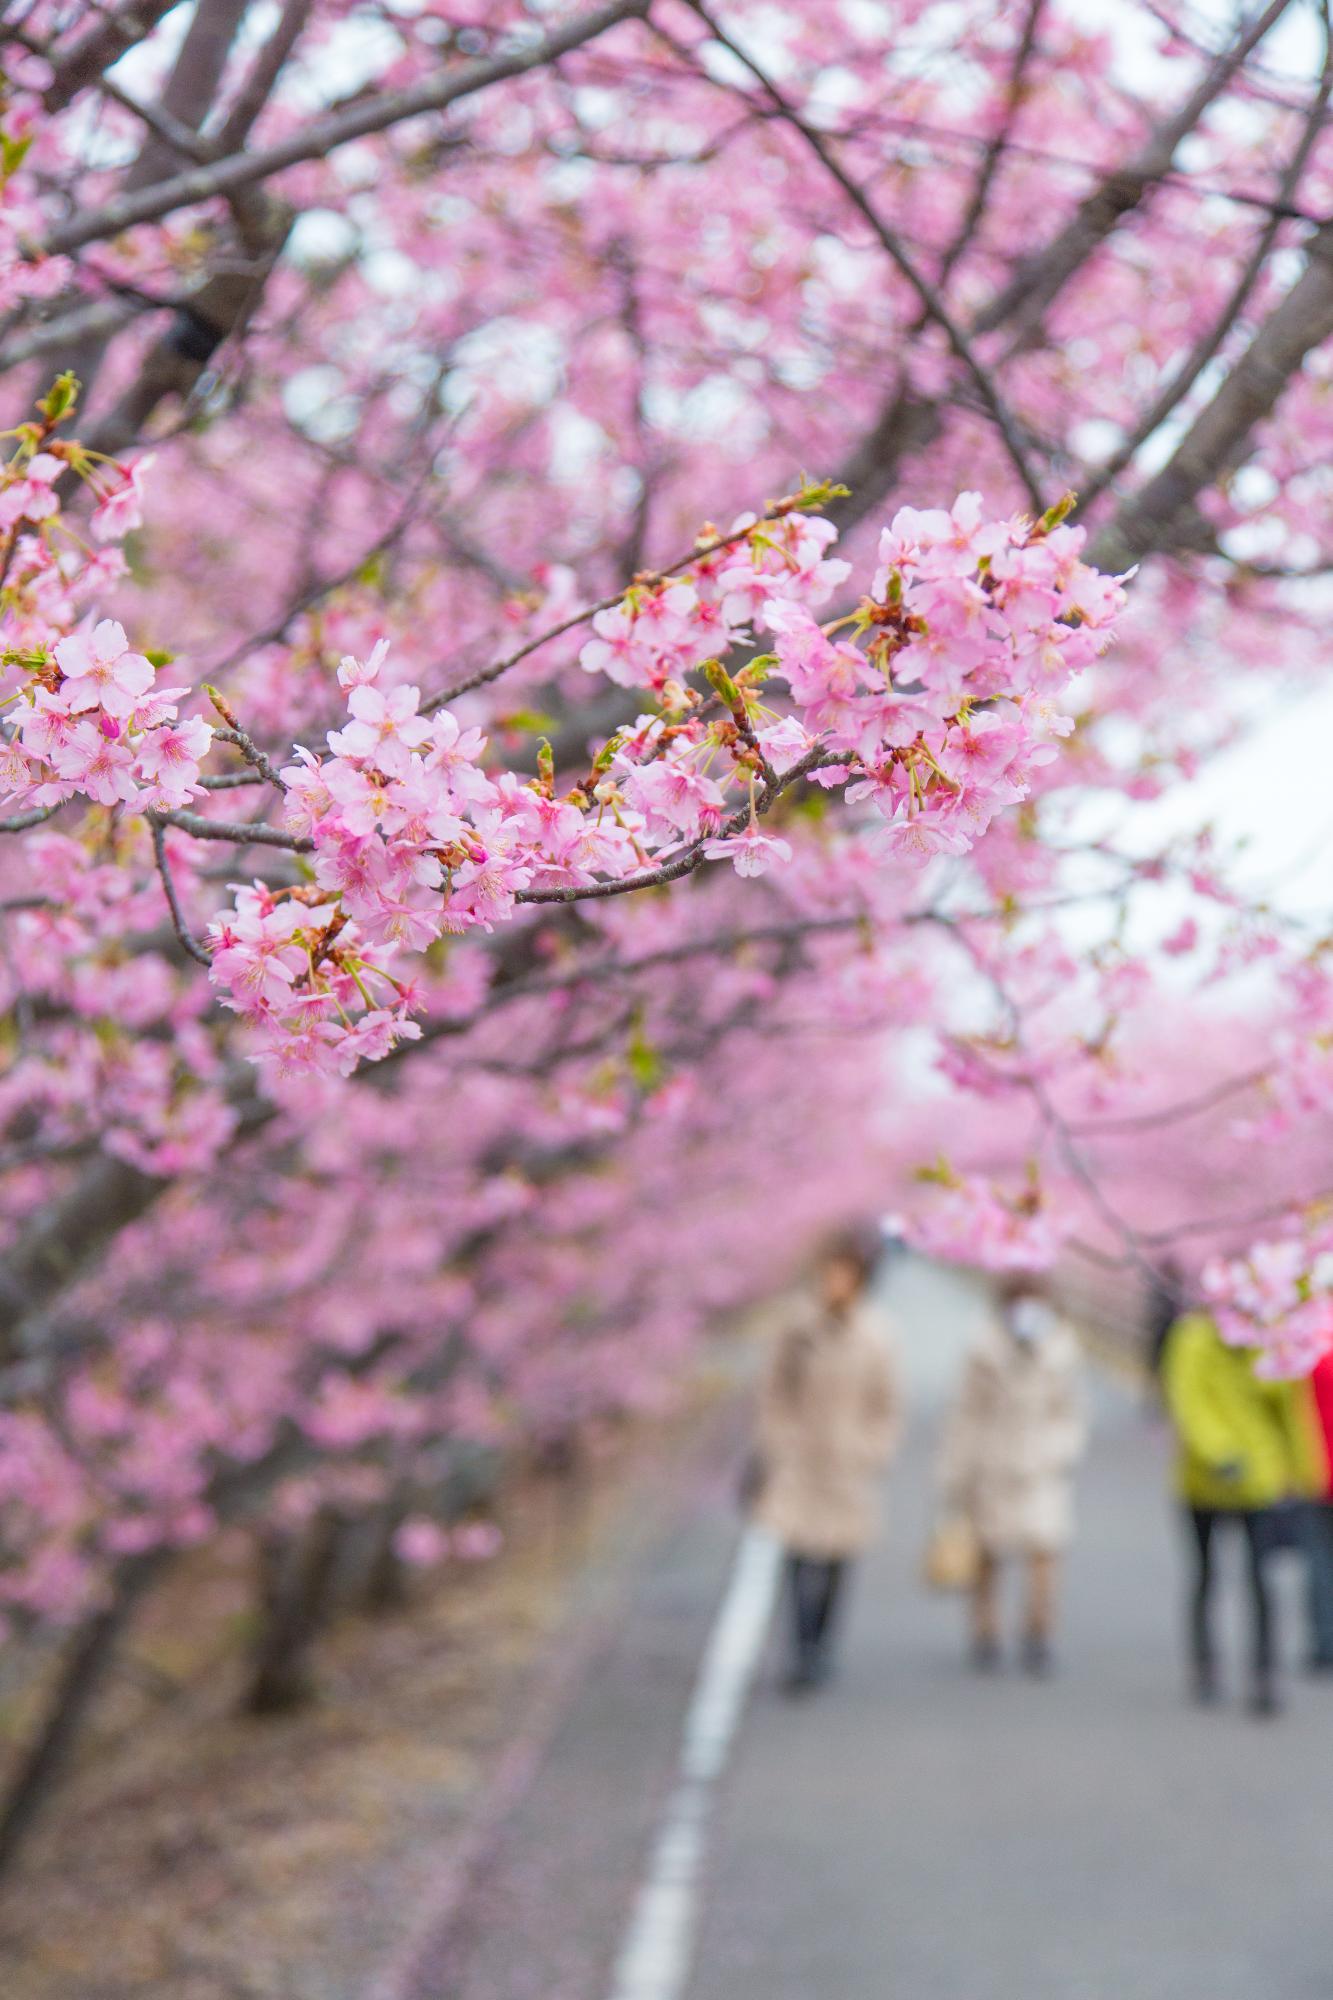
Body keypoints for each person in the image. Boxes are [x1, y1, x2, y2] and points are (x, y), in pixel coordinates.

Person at [752, 1226, 902, 1693]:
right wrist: (779, 1440)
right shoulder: (796, 1326)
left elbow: (888, 1404)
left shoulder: (878, 1335)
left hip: (848, 1463)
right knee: (797, 1555)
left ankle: (821, 1645)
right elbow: (775, 1389)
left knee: (837, 1560)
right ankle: (800, 1649)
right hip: (801, 1459)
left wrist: (872, 1449)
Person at [1162, 1310, 1323, 1715]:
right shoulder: (1194, 1339)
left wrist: (1309, 1475)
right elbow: (1189, 1403)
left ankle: (1264, 1673)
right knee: (1206, 1573)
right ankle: (1206, 1666)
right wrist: (1219, 1453)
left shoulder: (1273, 1341)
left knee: (1261, 1579)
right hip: (1204, 1481)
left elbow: (1291, 1413)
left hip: (1259, 1482)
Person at [937, 1274, 1086, 1676]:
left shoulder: (1060, 1347)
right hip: (993, 1464)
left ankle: (1039, 1632)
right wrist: (956, 1470)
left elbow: (1070, 1411)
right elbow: (966, 1412)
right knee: (989, 1553)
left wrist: (1060, 1450)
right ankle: (985, 1632)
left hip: (1040, 1466)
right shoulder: (982, 1348)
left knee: (1044, 1552)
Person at [1298, 1342, 1333, 1672]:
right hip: (1319, 1471)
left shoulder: (1312, 1348)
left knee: (1320, 1560)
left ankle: (1324, 1642)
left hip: (1319, 1470)